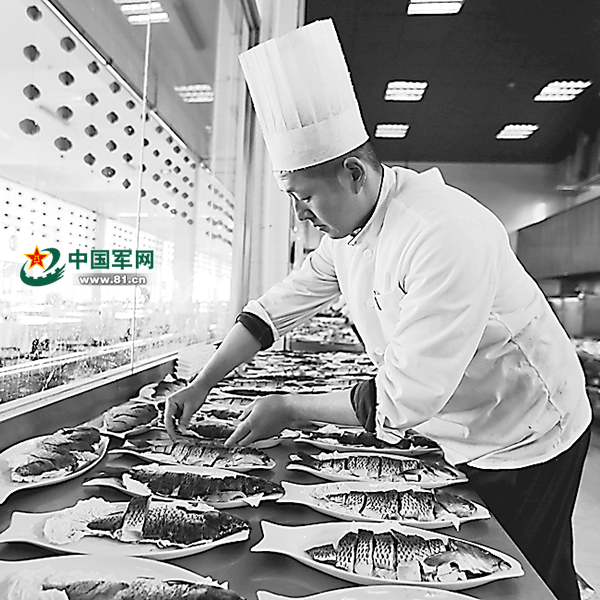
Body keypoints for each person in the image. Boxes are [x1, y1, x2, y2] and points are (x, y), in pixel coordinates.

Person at [165, 19, 592, 600]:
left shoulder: (443, 230)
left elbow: (403, 397)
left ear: (353, 173)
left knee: (525, 577)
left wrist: (289, 407)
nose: (301, 215)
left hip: (523, 428)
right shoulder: (348, 236)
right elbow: (272, 311)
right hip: (454, 418)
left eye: (305, 198)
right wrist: (202, 383)